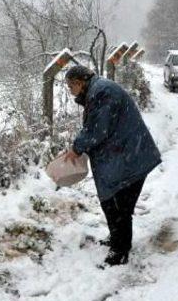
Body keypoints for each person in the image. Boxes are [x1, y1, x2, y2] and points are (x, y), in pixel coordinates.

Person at [64, 65, 162, 266]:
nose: (69, 91)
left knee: (120, 206)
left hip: (130, 156)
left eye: (69, 86)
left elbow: (97, 129)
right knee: (112, 201)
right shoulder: (98, 89)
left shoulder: (102, 93)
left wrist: (77, 147)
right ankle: (117, 239)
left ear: (78, 82)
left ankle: (120, 251)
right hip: (124, 154)